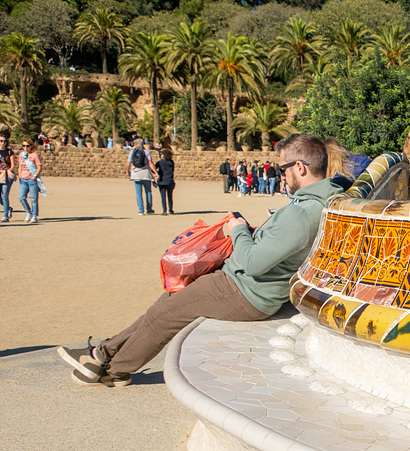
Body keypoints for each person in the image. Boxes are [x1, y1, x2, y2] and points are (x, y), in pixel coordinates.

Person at [56, 133, 344, 388]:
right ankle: (103, 354)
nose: (281, 176)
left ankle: (113, 370)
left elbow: (255, 263)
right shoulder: (320, 202)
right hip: (242, 284)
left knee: (166, 317)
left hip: (244, 290)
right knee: (167, 301)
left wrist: (239, 229)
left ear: (300, 168)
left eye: (282, 169)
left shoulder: (302, 212)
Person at [127, 139, 157, 215]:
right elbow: (150, 162)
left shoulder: (132, 152)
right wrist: (155, 172)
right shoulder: (146, 152)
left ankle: (141, 210)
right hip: (145, 173)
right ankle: (149, 209)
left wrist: (128, 171)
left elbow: (128, 163)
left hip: (136, 173)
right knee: (148, 192)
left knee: (138, 192)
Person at [17, 138, 42, 223]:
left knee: (33, 198)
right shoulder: (21, 155)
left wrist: (34, 176)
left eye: (27, 146)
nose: (25, 148)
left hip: (32, 179)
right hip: (23, 179)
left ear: (31, 146)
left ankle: (34, 215)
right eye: (24, 146)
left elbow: (39, 166)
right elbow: (20, 165)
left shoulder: (34, 155)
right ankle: (28, 212)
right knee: (21, 197)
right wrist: (19, 175)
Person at [155, 148, 176, 215]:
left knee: (163, 196)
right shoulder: (171, 162)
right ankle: (171, 209)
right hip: (170, 180)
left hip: (162, 181)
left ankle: (164, 210)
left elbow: (153, 169)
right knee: (170, 196)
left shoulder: (160, 162)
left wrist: (158, 173)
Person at [0, 131, 14, 223]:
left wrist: (9, 170)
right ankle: (8, 208)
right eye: (1, 141)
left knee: (5, 194)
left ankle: (5, 216)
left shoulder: (9, 151)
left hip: (6, 174)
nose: (3, 143)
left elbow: (13, 165)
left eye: (4, 141)